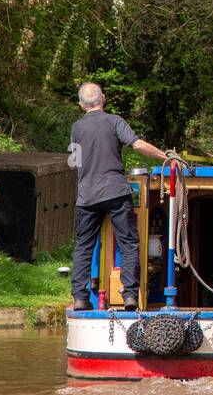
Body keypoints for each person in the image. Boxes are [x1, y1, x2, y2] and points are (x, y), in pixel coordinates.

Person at [68, 82, 168, 311]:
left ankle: (80, 298)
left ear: (81, 104)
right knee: (129, 243)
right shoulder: (114, 121)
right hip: (115, 191)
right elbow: (138, 145)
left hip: (87, 196)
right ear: (103, 98)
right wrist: (165, 156)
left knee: (84, 245)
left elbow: (75, 161)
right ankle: (130, 295)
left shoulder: (76, 128)